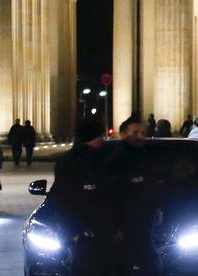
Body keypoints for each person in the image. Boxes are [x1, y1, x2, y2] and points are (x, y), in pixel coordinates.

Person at [47, 117, 111, 271]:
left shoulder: (68, 161)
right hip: (88, 235)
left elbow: (58, 197)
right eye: (100, 136)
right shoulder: (96, 161)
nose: (103, 139)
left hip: (87, 234)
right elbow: (64, 199)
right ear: (92, 137)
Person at [108, 115, 158, 274]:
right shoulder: (116, 161)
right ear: (123, 134)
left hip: (145, 225)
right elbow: (111, 195)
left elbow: (151, 186)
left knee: (152, 267)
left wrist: (156, 208)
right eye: (135, 132)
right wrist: (115, 226)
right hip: (125, 228)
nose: (140, 136)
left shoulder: (147, 156)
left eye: (143, 132)